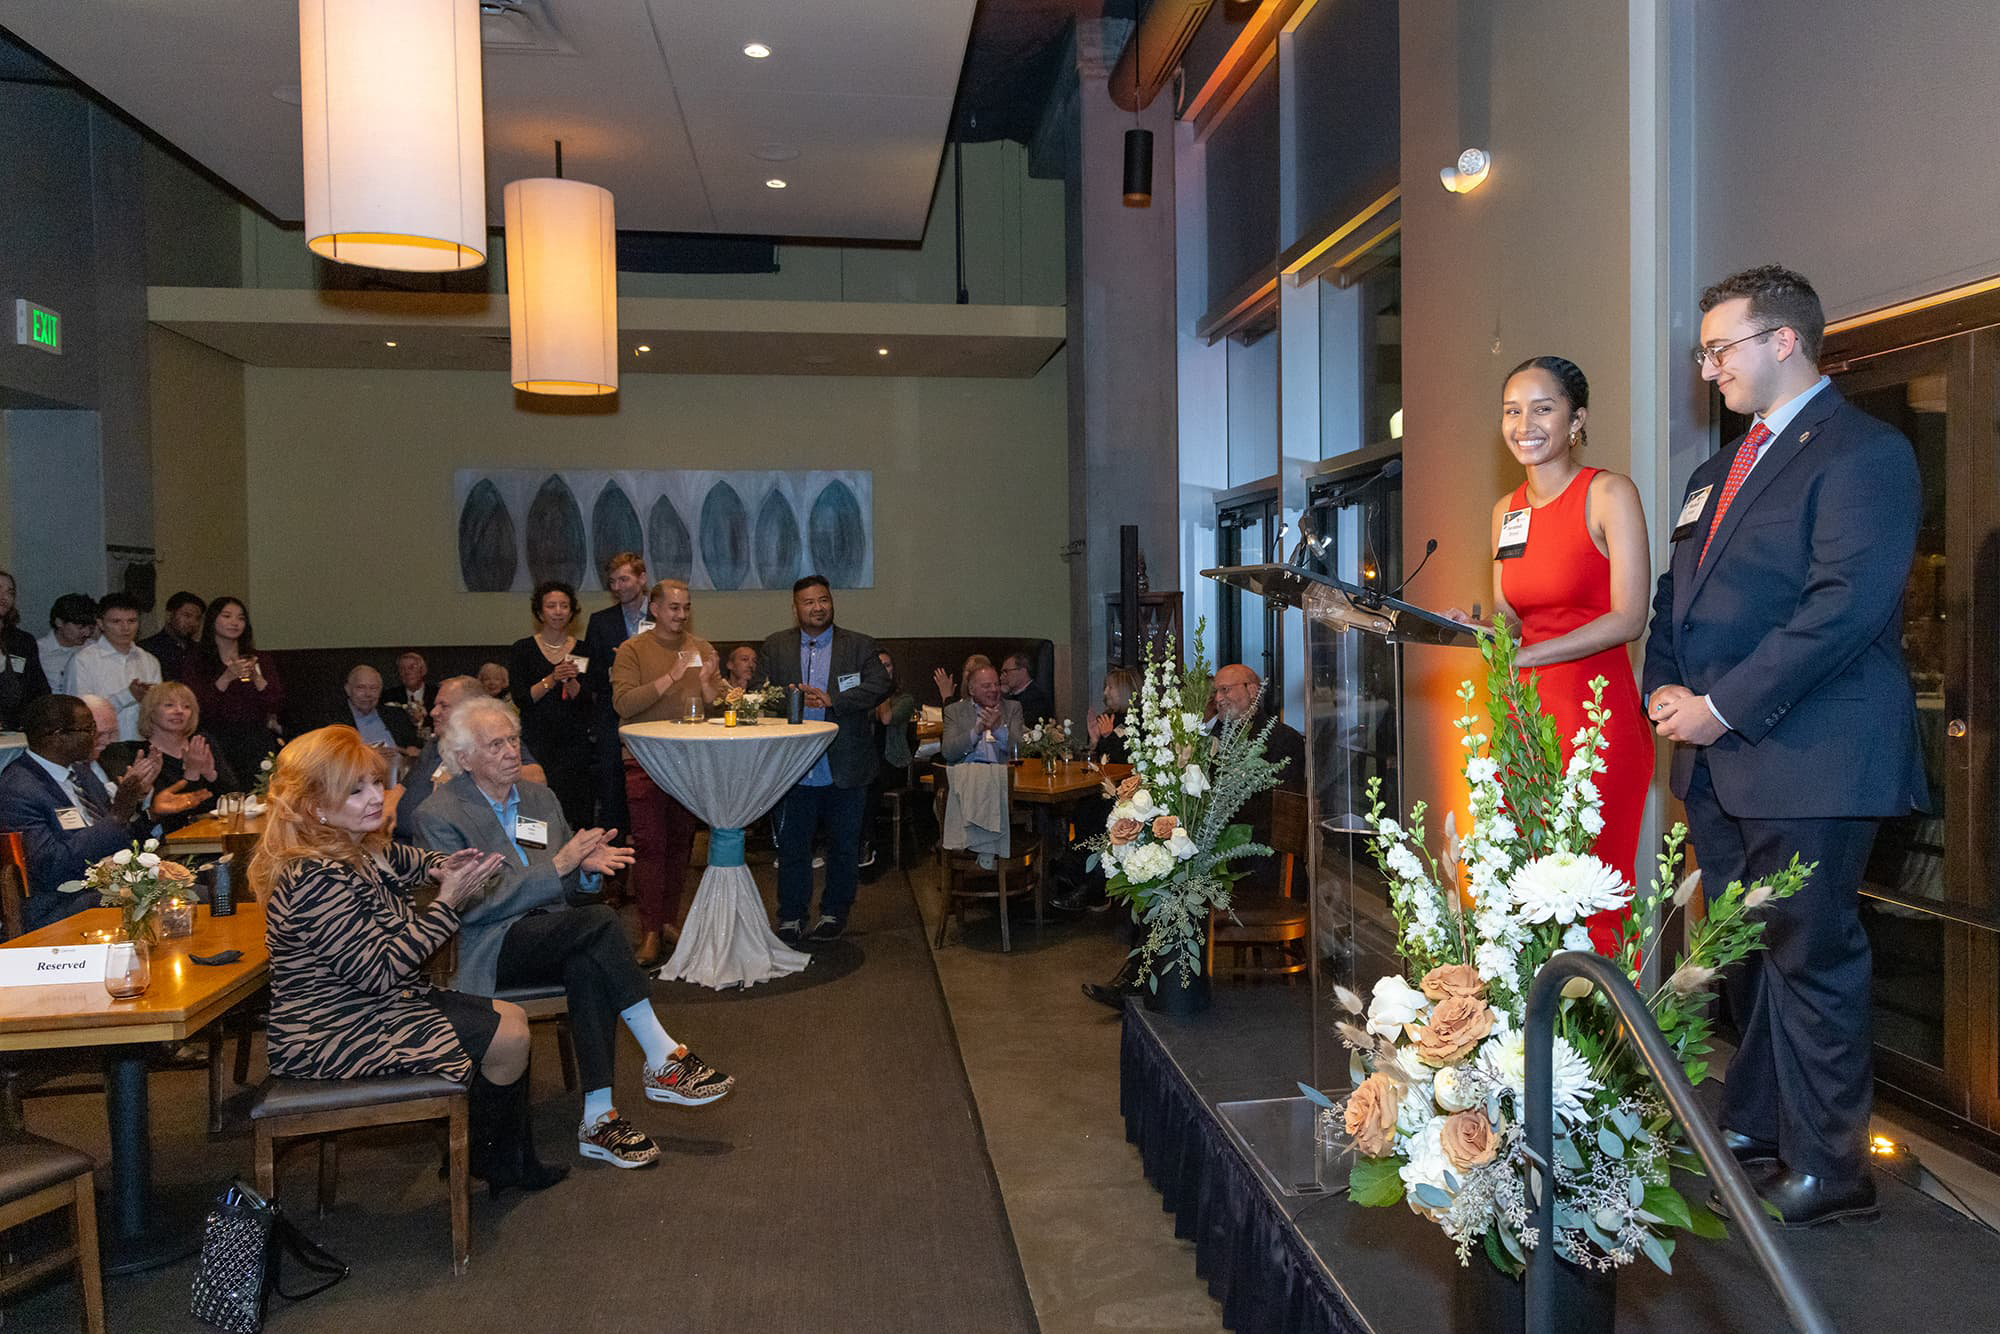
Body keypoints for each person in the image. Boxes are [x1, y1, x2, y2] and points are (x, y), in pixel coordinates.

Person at [1643, 265, 1924, 1228]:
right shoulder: (1711, 474)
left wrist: (1721, 704)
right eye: (1706, 351)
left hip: (1816, 756)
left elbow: (1842, 609)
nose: (1710, 366)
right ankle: (1759, 1122)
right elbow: (1672, 602)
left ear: (1784, 342)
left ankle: (1833, 1168)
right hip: (1720, 765)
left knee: (1811, 959)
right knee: (1749, 954)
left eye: (1721, 347)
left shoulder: (1863, 453)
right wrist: (1666, 690)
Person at [416, 697, 734, 1170]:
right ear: (463, 758)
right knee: (601, 924)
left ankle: (599, 1118)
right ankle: (661, 1053)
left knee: (589, 958)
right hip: (495, 944)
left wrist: (585, 871)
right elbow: (472, 905)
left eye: (514, 740)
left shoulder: (538, 799)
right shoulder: (440, 815)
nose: (511, 752)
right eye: (496, 744)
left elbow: (566, 883)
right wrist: (562, 864)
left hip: (559, 928)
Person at [250, 726, 561, 1194]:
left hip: (376, 1007)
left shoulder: (355, 846)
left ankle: (487, 1156)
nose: (376, 797)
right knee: (507, 1034)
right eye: (356, 791)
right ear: (315, 806)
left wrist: (441, 865)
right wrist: (448, 904)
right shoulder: (314, 876)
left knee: (513, 1024)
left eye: (375, 783)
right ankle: (492, 1160)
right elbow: (378, 973)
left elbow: (404, 858)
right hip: (333, 1030)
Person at [1483, 356, 1651, 956]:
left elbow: (1630, 617)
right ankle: (1530, 1048)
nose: (1523, 422)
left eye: (1542, 407)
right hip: (1524, 720)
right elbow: (1510, 615)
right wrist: (1471, 624)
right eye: (1511, 410)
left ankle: (1603, 1047)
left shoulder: (1608, 493)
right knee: (1520, 892)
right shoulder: (1507, 512)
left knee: (1593, 898)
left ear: (1576, 419)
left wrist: (1532, 657)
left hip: (1594, 720)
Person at [1083, 664, 1303, 1009]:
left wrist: (1211, 827)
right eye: (1217, 692)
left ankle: (1145, 983)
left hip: (1253, 858)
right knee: (1157, 869)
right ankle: (1145, 981)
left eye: (1226, 690)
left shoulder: (1282, 739)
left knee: (1175, 874)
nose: (1218, 698)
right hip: (1214, 843)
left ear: (1253, 691)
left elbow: (1273, 812)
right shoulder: (1215, 736)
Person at [758, 575, 891, 945]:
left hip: (846, 765)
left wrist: (834, 700)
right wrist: (784, 700)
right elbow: (758, 693)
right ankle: (791, 916)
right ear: (795, 607)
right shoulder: (776, 646)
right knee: (792, 847)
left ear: (831, 602)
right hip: (794, 767)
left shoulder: (860, 645)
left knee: (844, 847)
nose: (817, 607)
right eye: (808, 602)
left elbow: (880, 685)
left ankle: (835, 912)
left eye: (823, 600)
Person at [610, 579, 722, 967]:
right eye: (674, 607)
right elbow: (624, 703)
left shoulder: (702, 648)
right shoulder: (632, 650)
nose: (681, 615)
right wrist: (672, 676)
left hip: (689, 761)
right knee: (650, 845)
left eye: (686, 607)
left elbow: (718, 703)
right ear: (654, 609)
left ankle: (670, 920)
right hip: (644, 760)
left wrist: (709, 683)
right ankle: (650, 931)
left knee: (680, 845)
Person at [0, 695, 159, 931]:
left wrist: (137, 809)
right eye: (88, 729)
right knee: (160, 900)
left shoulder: (81, 773)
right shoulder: (18, 789)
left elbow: (117, 839)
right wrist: (116, 816)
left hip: (102, 890)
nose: (95, 737)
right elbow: (51, 868)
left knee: (184, 888)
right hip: (56, 905)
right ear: (57, 736)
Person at [394, 675, 546, 835]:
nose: (433, 712)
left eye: (443, 706)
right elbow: (405, 784)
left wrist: (479, 770)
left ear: (469, 710)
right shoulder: (434, 744)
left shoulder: (496, 741)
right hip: (405, 839)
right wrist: (390, 803)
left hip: (449, 839)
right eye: (435, 705)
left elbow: (538, 777)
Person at [509, 580, 595, 831]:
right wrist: (552, 678)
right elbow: (522, 699)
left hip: (575, 744)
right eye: (551, 606)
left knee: (577, 810)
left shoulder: (583, 649)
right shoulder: (523, 649)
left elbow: (586, 700)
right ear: (540, 612)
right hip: (537, 742)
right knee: (535, 810)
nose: (558, 611)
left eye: (564, 606)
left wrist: (570, 682)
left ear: (572, 611)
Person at [102, 682, 235, 834]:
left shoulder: (201, 742)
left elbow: (235, 797)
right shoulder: (136, 753)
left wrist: (210, 774)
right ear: (151, 712)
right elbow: (166, 816)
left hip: (217, 834)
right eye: (169, 705)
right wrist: (191, 774)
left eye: (186, 706)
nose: (179, 711)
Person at [581, 551, 652, 837]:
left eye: (624, 579)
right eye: (612, 582)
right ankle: (614, 866)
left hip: (653, 714)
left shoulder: (663, 615)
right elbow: (590, 674)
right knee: (613, 792)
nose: (618, 587)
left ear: (642, 578)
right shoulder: (600, 621)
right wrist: (613, 671)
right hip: (613, 717)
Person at [190, 596, 285, 783]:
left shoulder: (259, 659)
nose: (235, 622)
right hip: (216, 740)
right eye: (227, 616)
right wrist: (226, 677)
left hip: (256, 739)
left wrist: (256, 677)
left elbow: (276, 702)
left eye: (241, 618)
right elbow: (198, 706)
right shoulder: (197, 660)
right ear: (212, 620)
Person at [63, 593, 160, 742]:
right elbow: (79, 714)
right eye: (116, 621)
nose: (125, 628)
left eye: (132, 621)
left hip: (142, 744)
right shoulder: (83, 661)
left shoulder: (149, 661)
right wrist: (128, 696)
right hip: (100, 748)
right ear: (100, 623)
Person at [862, 648, 920, 874]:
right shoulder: (863, 699)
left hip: (893, 763)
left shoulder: (904, 700)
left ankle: (867, 844)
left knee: (870, 783)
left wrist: (880, 690)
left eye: (887, 666)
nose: (883, 670)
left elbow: (886, 718)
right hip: (869, 760)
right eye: (878, 666)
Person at [333, 665, 421, 763]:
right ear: (348, 689)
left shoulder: (396, 714)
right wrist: (367, 755)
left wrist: (410, 750)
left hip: (399, 773)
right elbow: (330, 756)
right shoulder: (333, 720)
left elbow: (416, 744)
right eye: (361, 688)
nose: (368, 694)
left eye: (373, 688)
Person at [0, 570, 52, 733]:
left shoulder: (23, 641)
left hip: (17, 731)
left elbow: (39, 690)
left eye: (10, 592)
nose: (4, 596)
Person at [941, 664, 1023, 764]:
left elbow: (1020, 750)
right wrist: (976, 732)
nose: (994, 689)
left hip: (1001, 773)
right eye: (986, 686)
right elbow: (948, 753)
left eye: (997, 684)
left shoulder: (1012, 708)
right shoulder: (954, 711)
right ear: (971, 690)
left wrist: (998, 729)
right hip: (966, 773)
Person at [140, 591, 205, 684]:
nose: (193, 623)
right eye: (187, 616)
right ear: (169, 615)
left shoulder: (201, 651)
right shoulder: (147, 649)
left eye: (198, 618)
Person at [36, 593, 98, 689]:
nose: (87, 633)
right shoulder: (39, 651)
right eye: (80, 627)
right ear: (59, 622)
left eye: (91, 627)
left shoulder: (94, 648)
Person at [1085, 668, 1139, 767]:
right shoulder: (1105, 718)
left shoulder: (1139, 720)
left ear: (1123, 690)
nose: (1105, 692)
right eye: (1105, 687)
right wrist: (1094, 742)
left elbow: (1128, 757)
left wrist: (1109, 736)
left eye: (1110, 687)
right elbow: (1095, 762)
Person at [999, 652, 1054, 727]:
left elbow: (1017, 726)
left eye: (1006, 672)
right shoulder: (1010, 696)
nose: (1001, 677)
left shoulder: (1037, 698)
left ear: (1022, 671)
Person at [381, 650, 431, 719]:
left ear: (423, 670)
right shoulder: (388, 696)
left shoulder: (437, 694)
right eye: (402, 669)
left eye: (412, 667)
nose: (407, 672)